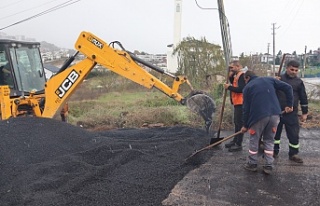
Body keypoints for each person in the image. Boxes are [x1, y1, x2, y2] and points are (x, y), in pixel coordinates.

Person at [241, 70, 293, 174]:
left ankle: (252, 163)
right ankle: (268, 165)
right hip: (275, 115)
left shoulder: (247, 87)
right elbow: (288, 87)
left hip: (258, 117)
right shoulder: (269, 79)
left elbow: (246, 108)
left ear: (247, 78)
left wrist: (245, 125)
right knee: (269, 140)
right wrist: (289, 104)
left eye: (245, 80)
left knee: (254, 140)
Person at [274, 60, 308, 163]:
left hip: (292, 113)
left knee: (293, 134)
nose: (294, 72)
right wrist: (273, 81)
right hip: (277, 112)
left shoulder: (299, 82)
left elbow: (303, 98)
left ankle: (293, 154)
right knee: (275, 134)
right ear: (287, 68)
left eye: (296, 70)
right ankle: (273, 152)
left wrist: (305, 113)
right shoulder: (278, 79)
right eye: (292, 69)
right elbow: (268, 92)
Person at [223, 60, 246, 152]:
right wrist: (230, 76)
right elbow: (234, 83)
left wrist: (229, 87)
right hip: (237, 103)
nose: (231, 69)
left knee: (239, 123)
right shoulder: (236, 75)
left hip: (241, 102)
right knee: (236, 123)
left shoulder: (242, 75)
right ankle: (235, 140)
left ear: (238, 66)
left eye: (232, 67)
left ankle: (238, 144)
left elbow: (241, 89)